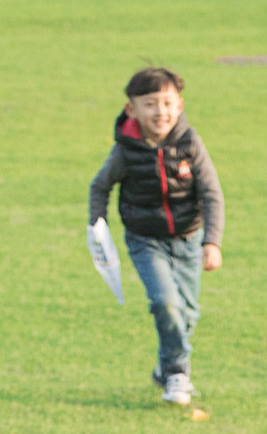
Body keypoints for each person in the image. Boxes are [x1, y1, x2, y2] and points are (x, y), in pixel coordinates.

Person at [88, 67, 224, 407]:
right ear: (131, 109)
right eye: (150, 104)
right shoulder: (125, 152)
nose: (160, 112)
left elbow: (212, 194)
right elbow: (99, 186)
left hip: (189, 239)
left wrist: (212, 241)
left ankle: (165, 368)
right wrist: (97, 229)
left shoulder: (191, 145)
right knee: (166, 302)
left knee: (188, 313)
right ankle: (179, 373)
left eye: (167, 103)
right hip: (145, 241)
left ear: (179, 106)